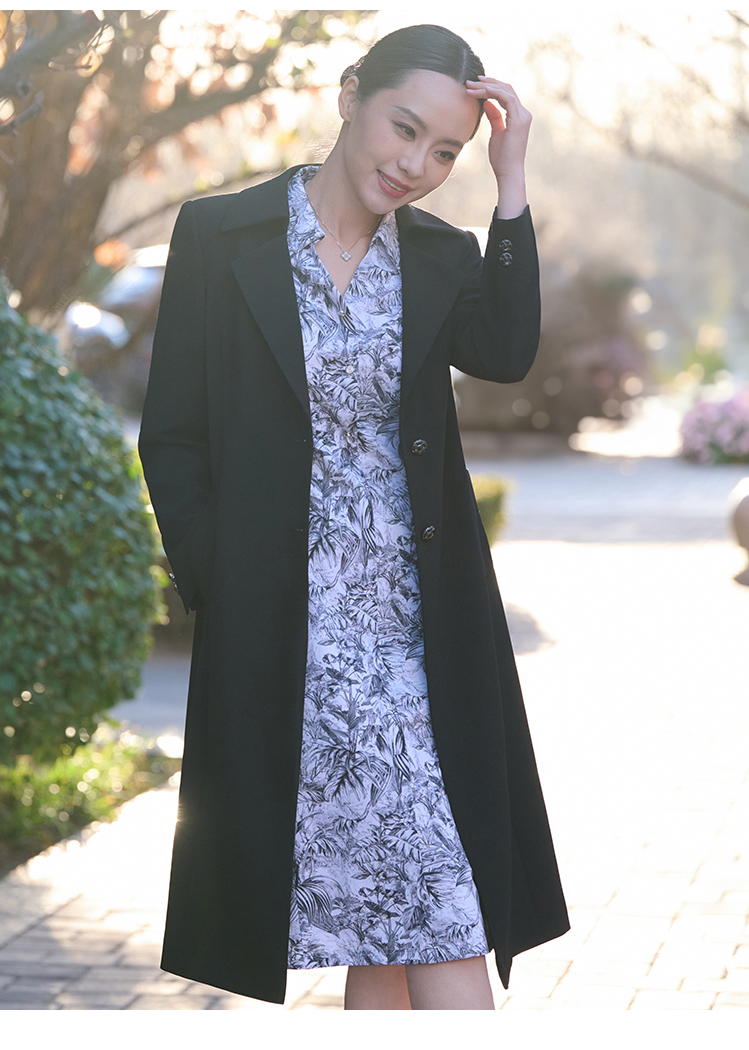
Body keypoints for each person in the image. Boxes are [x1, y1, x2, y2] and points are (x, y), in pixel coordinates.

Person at [139, 23, 569, 1011]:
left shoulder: (439, 254)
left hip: (420, 636)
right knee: (388, 924)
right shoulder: (221, 236)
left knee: (432, 908)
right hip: (288, 634)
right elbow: (173, 434)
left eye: (445, 152)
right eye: (404, 129)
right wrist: (220, 584)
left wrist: (509, 180)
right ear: (349, 96)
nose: (416, 166)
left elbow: (505, 352)